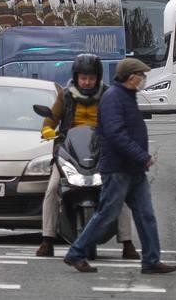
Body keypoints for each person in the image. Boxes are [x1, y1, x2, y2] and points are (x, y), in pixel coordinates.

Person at [64, 57, 176, 276]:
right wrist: (141, 155)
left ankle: (152, 259)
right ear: (130, 76)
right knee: (106, 214)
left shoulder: (127, 96)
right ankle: (77, 252)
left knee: (146, 215)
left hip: (133, 170)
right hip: (118, 169)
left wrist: (139, 159)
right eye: (140, 75)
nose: (143, 79)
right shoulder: (113, 98)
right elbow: (116, 134)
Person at [36, 53, 137, 260]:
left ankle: (127, 243)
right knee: (52, 189)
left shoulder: (110, 95)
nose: (87, 82)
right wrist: (47, 130)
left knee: (121, 192)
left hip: (104, 152)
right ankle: (47, 240)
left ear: (98, 78)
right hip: (69, 152)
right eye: (83, 78)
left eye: (91, 78)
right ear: (76, 77)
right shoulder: (65, 96)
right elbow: (50, 120)